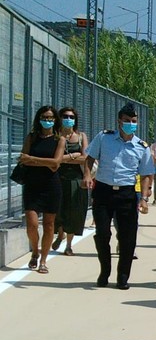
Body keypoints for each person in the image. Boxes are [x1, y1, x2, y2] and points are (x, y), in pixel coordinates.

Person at [86, 103, 154, 289]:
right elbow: (90, 157)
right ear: (119, 121)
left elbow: (146, 174)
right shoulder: (104, 138)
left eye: (133, 121)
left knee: (127, 237)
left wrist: (144, 199)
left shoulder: (142, 147)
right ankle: (104, 271)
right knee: (102, 233)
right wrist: (87, 175)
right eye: (127, 120)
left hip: (127, 194)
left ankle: (123, 276)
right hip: (104, 191)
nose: (130, 124)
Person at [18, 105, 66, 274]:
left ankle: (43, 261)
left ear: (55, 120)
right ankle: (35, 251)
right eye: (44, 117)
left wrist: (33, 159)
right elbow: (23, 159)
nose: (47, 120)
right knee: (31, 224)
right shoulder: (31, 137)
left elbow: (56, 164)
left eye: (50, 118)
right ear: (39, 119)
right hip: (32, 185)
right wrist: (44, 162)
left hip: (51, 186)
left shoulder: (59, 140)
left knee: (49, 224)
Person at [52, 107, 89, 256]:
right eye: (65, 116)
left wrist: (62, 159)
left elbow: (85, 157)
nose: (68, 119)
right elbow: (53, 159)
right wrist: (74, 155)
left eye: (71, 117)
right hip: (57, 179)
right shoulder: (55, 136)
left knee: (74, 212)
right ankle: (60, 233)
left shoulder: (81, 136)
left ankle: (68, 245)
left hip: (76, 179)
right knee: (58, 211)